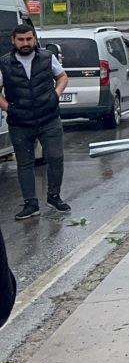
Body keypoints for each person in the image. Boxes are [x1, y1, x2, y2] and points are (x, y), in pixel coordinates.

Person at [0, 24, 70, 220]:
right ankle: (31, 204)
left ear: (35, 39)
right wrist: (9, 108)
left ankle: (54, 197)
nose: (25, 43)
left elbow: (63, 77)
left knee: (55, 157)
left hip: (49, 118)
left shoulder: (47, 57)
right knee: (25, 164)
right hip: (20, 122)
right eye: (21, 40)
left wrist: (56, 95)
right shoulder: (4, 63)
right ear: (13, 41)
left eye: (29, 39)